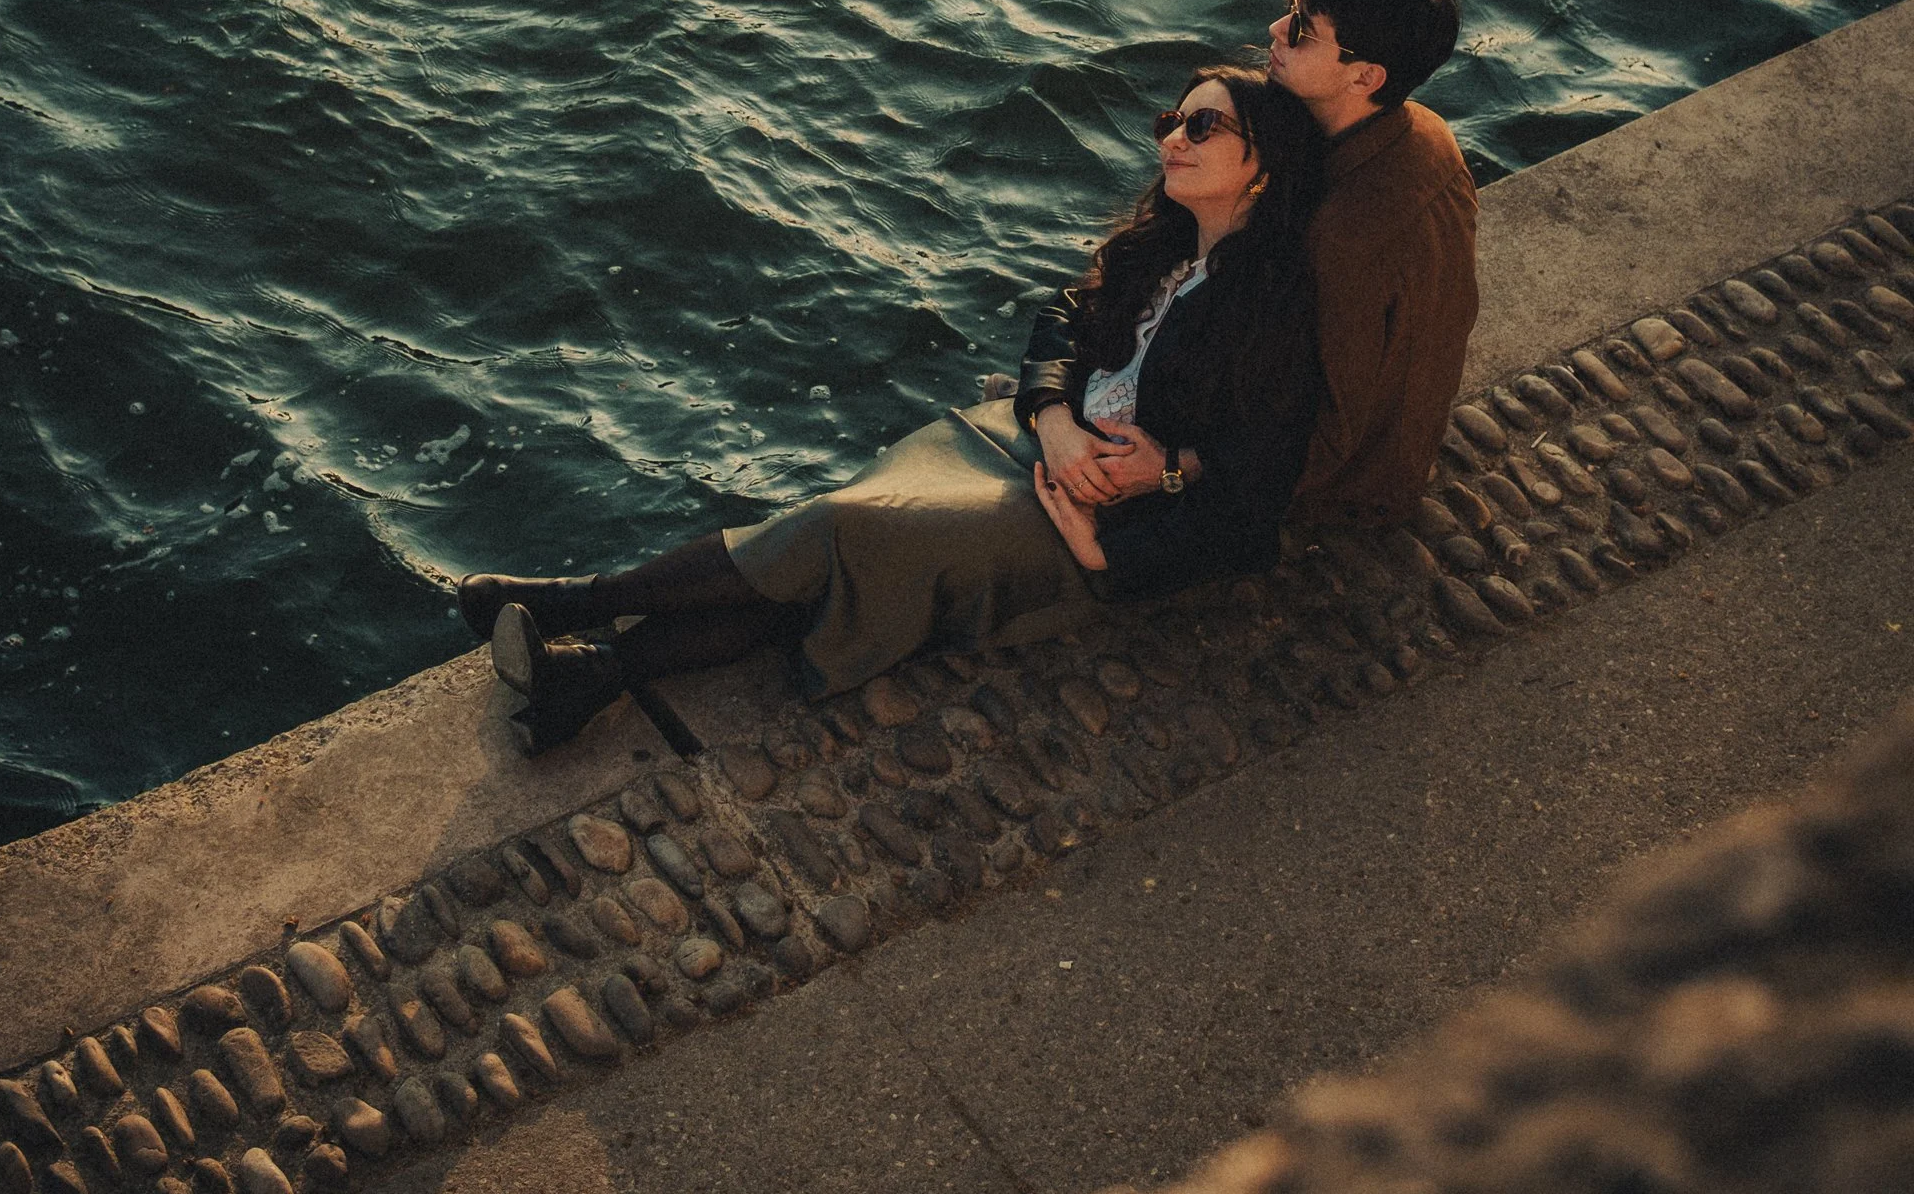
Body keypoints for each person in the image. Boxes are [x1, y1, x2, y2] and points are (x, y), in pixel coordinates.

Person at [459, 64, 1327, 751]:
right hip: (1020, 443)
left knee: (841, 529)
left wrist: (1114, 551)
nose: (1171, 138)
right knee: (840, 552)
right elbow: (1063, 319)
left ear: (1263, 166)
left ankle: (578, 604)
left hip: (1085, 518)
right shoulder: (1166, 246)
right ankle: (595, 672)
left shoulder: (1273, 304)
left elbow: (1255, 497)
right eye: (1172, 120)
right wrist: (1054, 417)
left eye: (1202, 127)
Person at [1262, 0, 1476, 528]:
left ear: (1365, 76)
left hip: (1343, 491)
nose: (1277, 29)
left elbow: (1334, 427)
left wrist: (1179, 473)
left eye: (1302, 30)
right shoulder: (1426, 129)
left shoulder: (1344, 236)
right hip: (1393, 444)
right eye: (1290, 10)